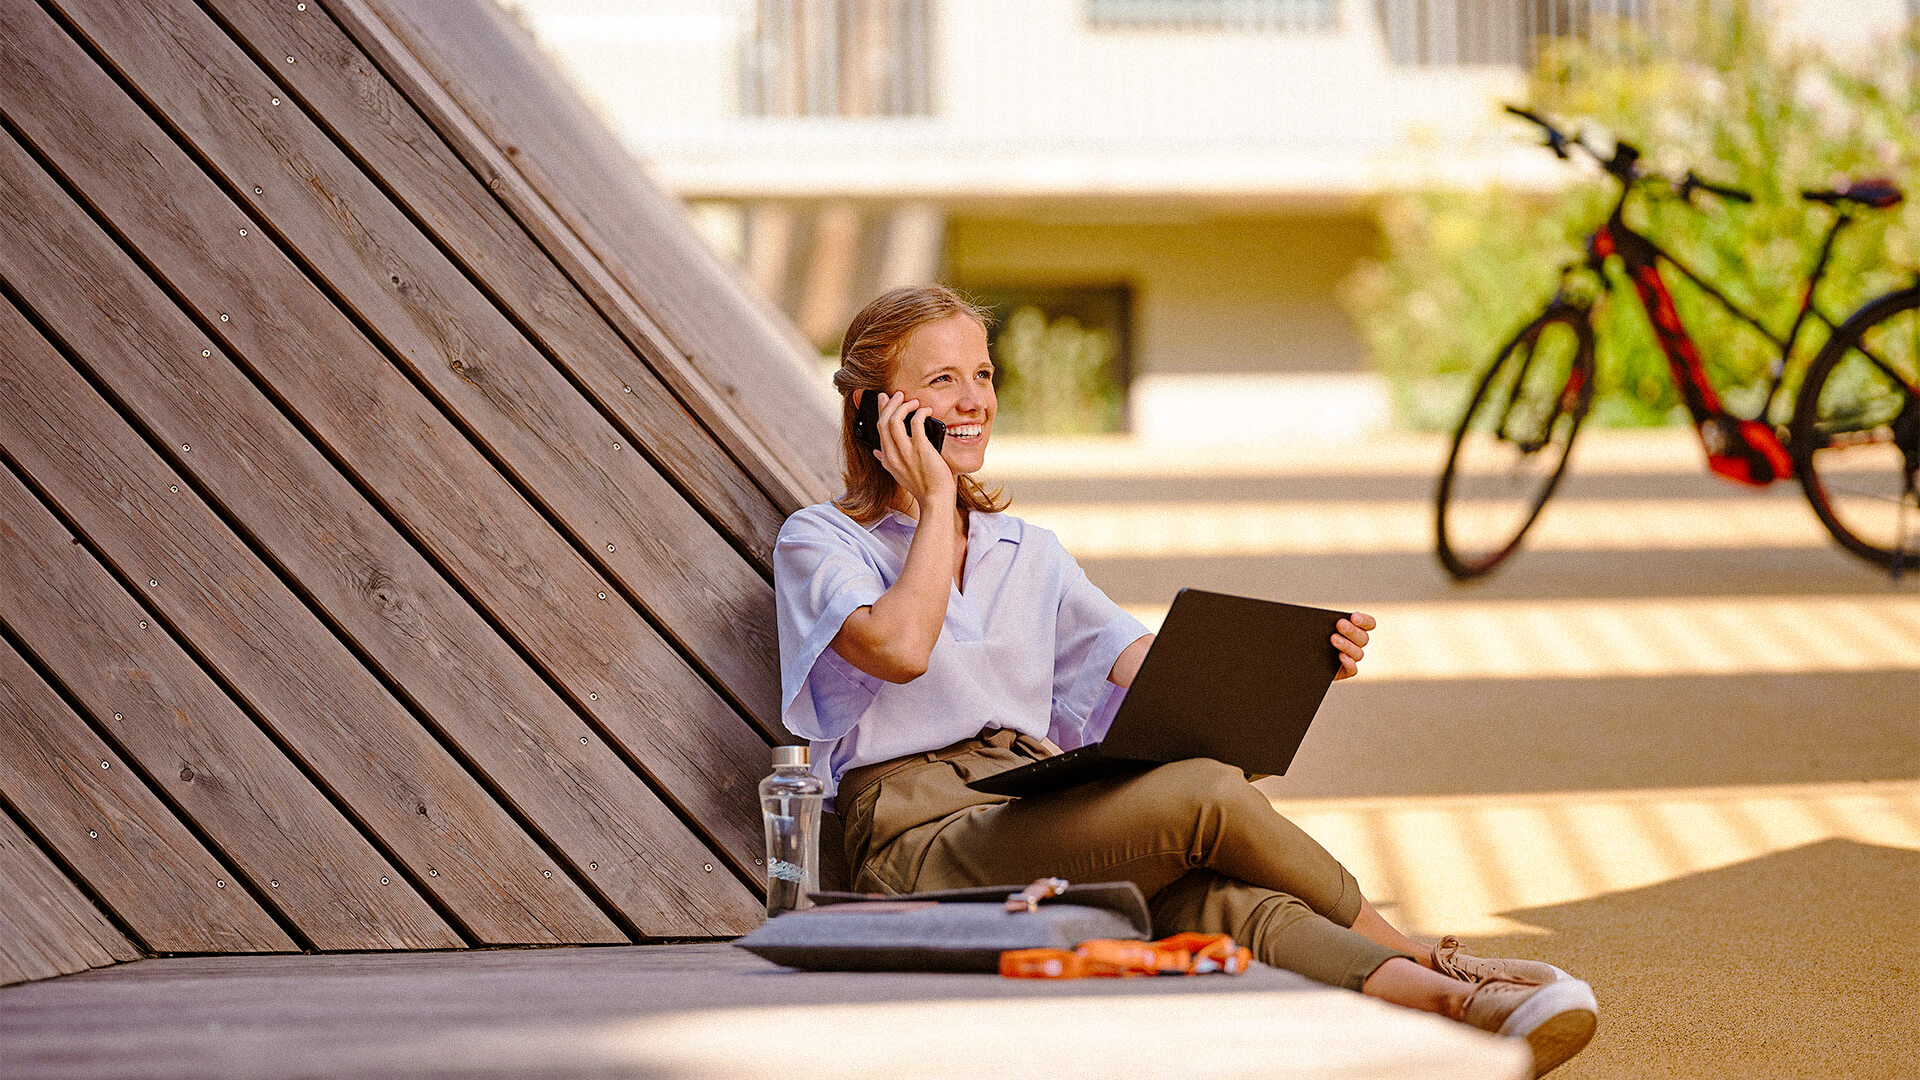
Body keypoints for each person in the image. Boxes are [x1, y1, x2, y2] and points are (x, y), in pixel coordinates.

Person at [773, 285, 1598, 1076]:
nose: (974, 400)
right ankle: (1418, 951)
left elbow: (1148, 667)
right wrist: (936, 501)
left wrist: (1301, 663)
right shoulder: (821, 542)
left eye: (983, 375)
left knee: (1218, 900)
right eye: (941, 380)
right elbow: (900, 649)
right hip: (917, 842)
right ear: (872, 408)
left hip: (1029, 804)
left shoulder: (1028, 549)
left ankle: (1466, 1014)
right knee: (1205, 791)